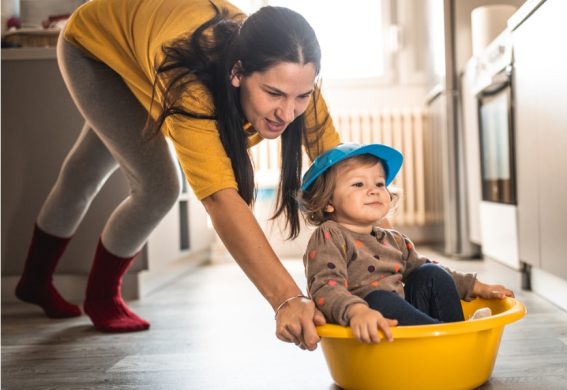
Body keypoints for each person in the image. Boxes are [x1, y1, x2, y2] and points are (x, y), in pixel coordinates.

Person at [14, 0, 338, 350]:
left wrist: (373, 247)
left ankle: (33, 280)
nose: (289, 111)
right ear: (237, 73)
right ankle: (101, 296)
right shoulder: (189, 84)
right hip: (95, 49)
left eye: (302, 96)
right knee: (157, 187)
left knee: (83, 171)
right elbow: (220, 198)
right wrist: (287, 299)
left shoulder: (291, 70)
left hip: (145, 44)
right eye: (273, 94)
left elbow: (339, 167)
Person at [299, 143, 514, 343]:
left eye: (380, 183)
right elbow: (325, 287)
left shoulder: (394, 240)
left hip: (404, 325)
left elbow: (427, 270)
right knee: (379, 300)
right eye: (358, 184)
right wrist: (357, 311)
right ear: (327, 202)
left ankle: (454, 330)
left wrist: (478, 287)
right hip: (366, 327)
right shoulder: (330, 235)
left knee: (431, 273)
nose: (374, 190)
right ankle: (449, 341)